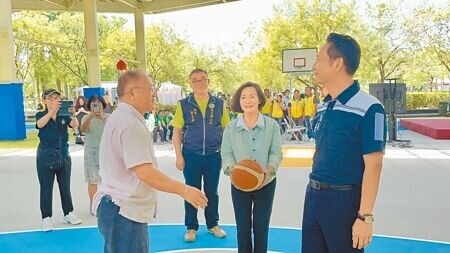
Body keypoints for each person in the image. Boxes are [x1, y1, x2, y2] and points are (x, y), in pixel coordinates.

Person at [92, 69, 208, 253]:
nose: (153, 93)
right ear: (132, 93)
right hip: (124, 213)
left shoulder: (121, 117)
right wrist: (184, 190)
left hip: (117, 209)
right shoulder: (129, 124)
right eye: (149, 88)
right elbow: (145, 172)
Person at [301, 33, 387, 253]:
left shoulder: (370, 108)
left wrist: (365, 216)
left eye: (319, 59)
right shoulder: (323, 106)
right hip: (314, 196)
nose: (314, 65)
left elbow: (374, 165)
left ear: (337, 63)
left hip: (344, 202)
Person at [221, 82, 282, 253]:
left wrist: (269, 169)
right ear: (239, 102)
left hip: (266, 183)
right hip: (239, 184)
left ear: (260, 100)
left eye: (252, 96)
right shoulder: (231, 128)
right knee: (243, 228)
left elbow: (276, 152)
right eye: (243, 97)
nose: (248, 101)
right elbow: (226, 154)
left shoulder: (272, 126)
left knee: (261, 228)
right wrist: (232, 169)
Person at [172, 68, 230, 242]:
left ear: (208, 81)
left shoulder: (219, 103)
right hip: (191, 155)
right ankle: (191, 227)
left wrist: (226, 155)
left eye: (203, 79)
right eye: (195, 80)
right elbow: (177, 132)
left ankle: (213, 224)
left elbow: (226, 130)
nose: (199, 83)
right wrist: (179, 156)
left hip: (213, 155)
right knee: (191, 190)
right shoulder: (183, 104)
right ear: (190, 83)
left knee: (212, 192)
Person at [36, 89, 82, 232]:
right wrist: (51, 112)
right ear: (44, 100)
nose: (54, 100)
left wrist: (73, 114)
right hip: (46, 155)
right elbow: (40, 124)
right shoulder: (41, 114)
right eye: (50, 98)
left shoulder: (64, 114)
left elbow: (74, 124)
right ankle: (46, 218)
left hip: (63, 154)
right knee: (46, 188)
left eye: (56, 98)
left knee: (65, 186)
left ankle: (68, 213)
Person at [80, 94, 108, 214]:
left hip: (106, 151)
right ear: (90, 105)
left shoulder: (108, 117)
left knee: (108, 179)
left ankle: (108, 205)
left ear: (103, 104)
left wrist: (102, 118)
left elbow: (112, 131)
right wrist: (91, 116)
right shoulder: (86, 118)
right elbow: (83, 129)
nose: (96, 106)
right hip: (91, 151)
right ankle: (93, 205)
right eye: (94, 103)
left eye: (98, 103)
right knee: (93, 180)